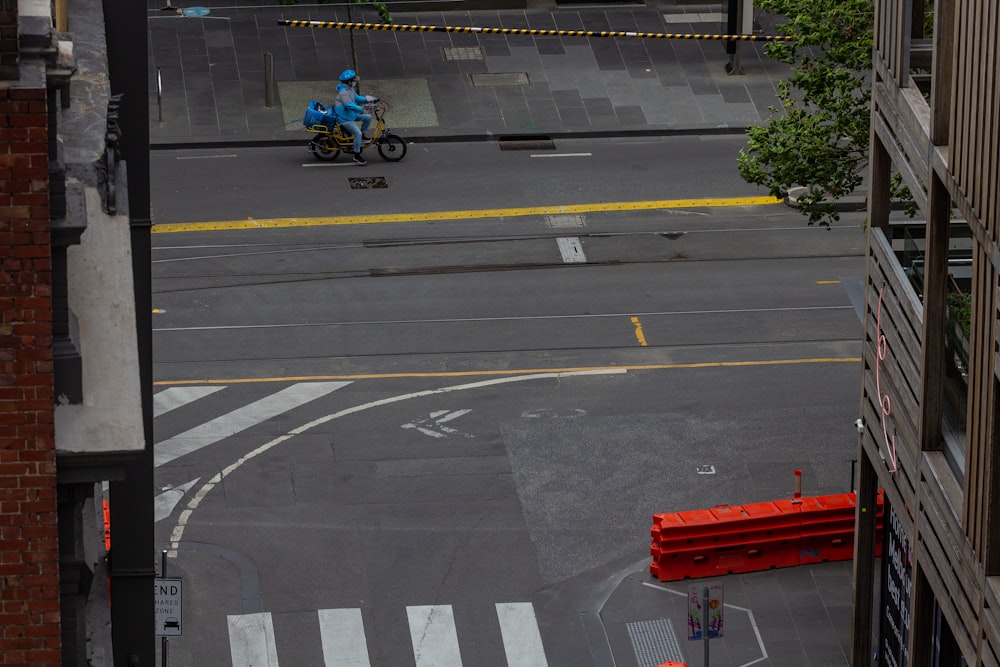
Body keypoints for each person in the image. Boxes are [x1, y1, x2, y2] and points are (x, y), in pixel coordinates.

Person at [333, 69, 377, 165]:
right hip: (345, 118)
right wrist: (362, 109)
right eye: (353, 80)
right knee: (358, 134)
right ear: (348, 82)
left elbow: (357, 98)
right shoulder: (343, 93)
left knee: (367, 118)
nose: (354, 82)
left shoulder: (349, 89)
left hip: (350, 114)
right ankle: (356, 155)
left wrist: (370, 99)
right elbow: (349, 105)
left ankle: (363, 136)